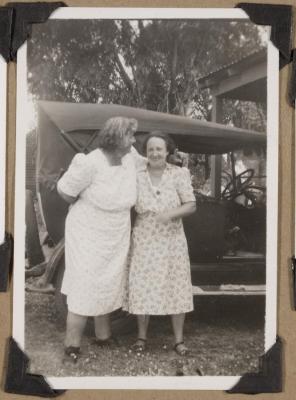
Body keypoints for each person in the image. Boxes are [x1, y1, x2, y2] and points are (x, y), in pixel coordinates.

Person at [57, 116, 142, 363]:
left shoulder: (130, 156)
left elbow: (147, 165)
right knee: (85, 283)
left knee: (107, 282)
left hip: (116, 231)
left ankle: (103, 336)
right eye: (130, 135)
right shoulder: (89, 163)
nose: (134, 140)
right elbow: (65, 191)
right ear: (116, 138)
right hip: (87, 230)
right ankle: (72, 344)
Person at [123, 131, 196, 356]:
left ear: (167, 151)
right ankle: (141, 338)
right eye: (151, 149)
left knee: (176, 284)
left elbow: (191, 205)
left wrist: (170, 214)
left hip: (172, 238)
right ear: (146, 153)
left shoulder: (179, 174)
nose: (155, 153)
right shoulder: (136, 174)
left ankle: (178, 341)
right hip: (145, 236)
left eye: (159, 149)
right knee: (143, 284)